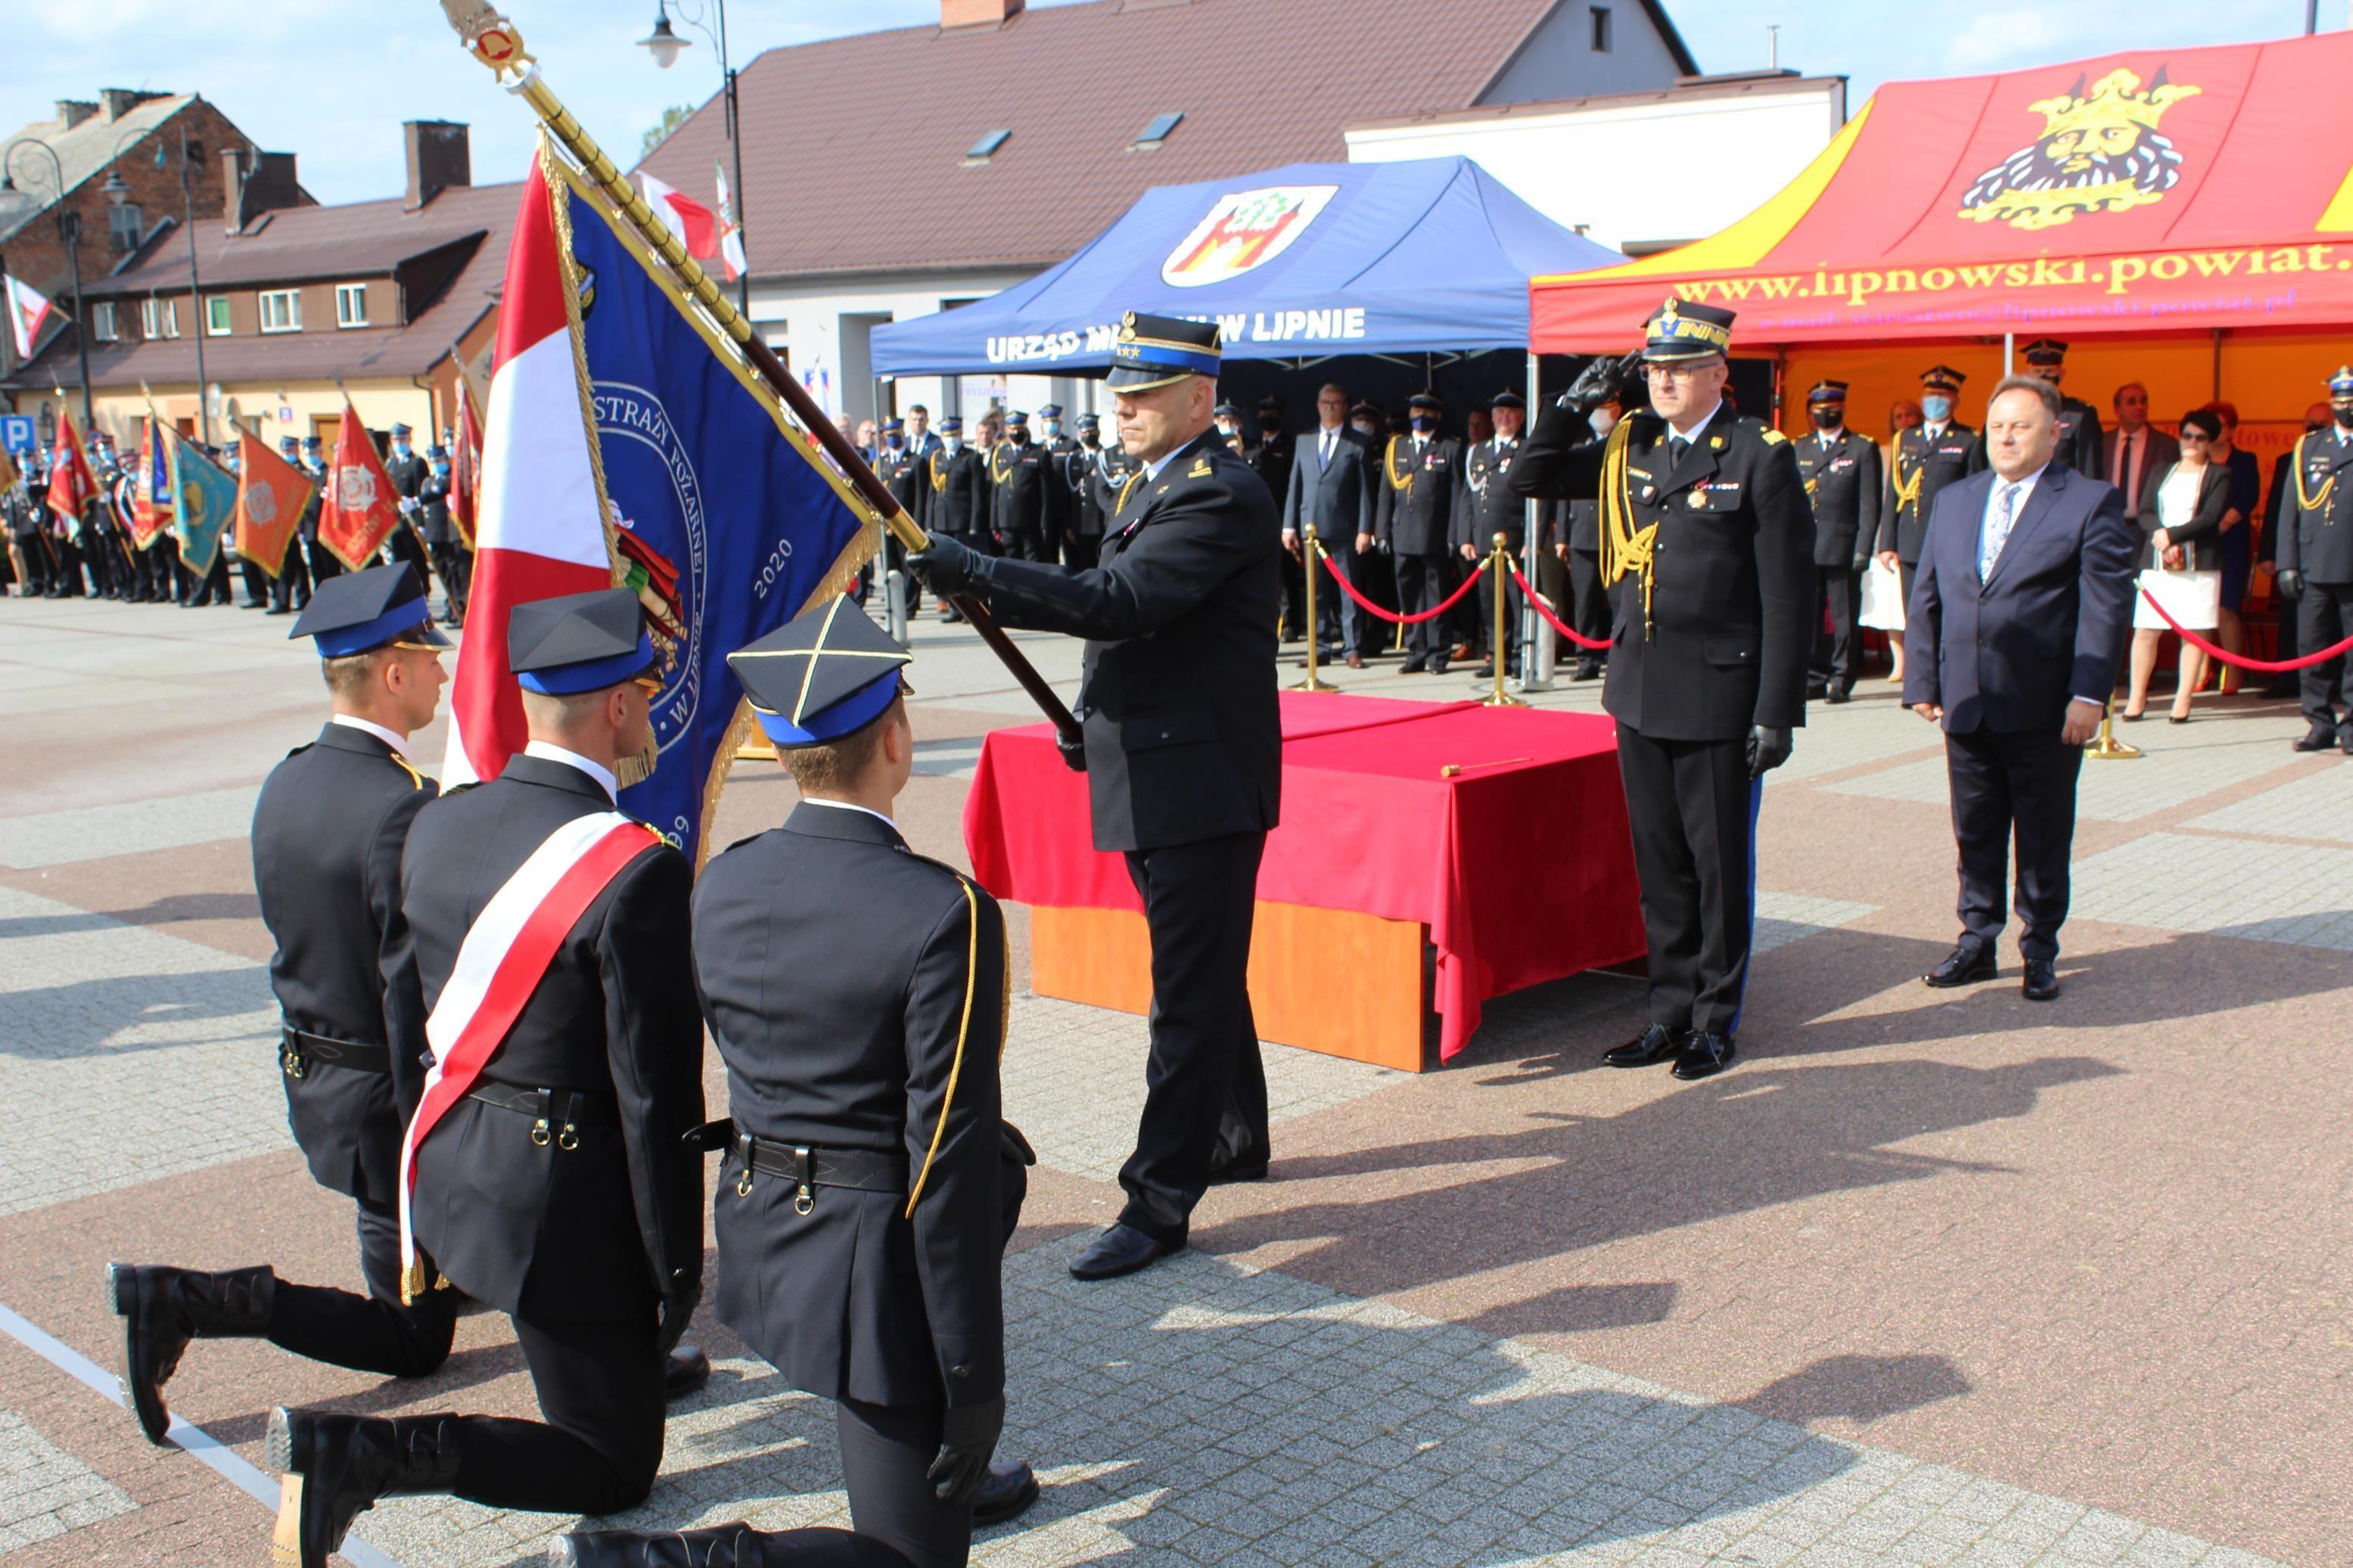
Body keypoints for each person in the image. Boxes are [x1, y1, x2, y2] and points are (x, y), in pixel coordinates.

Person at [559, 606, 1038, 1568]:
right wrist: (972, 1377)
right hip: (877, 1276)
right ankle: (668, 1561)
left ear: (781, 752)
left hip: (767, 1226)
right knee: (905, 1562)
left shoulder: (724, 879)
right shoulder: (946, 913)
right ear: (895, 740)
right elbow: (942, 1166)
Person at [266, 588, 708, 1568]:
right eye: (645, 688)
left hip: (459, 1184)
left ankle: (604, 1371)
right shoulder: (635, 870)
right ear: (624, 706)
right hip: (568, 1218)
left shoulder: (429, 822)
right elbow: (655, 1101)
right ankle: (366, 1454)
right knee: (615, 1465)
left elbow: (402, 1021)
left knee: (615, 1389)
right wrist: (672, 1272)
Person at [909, 311, 1278, 1282]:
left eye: (1145, 390)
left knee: (1184, 998)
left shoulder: (1217, 493)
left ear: (1200, 398)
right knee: (1201, 976)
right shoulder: (1155, 481)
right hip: (1160, 762)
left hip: (1197, 782)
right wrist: (1093, 716)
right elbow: (1137, 629)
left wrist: (981, 572)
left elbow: (1123, 603)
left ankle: (1158, 1202)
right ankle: (1233, 1136)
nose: (1122, 404)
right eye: (1119, 389)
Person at [108, 567, 455, 1450]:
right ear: (392, 673)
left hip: (320, 1081)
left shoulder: (287, 782)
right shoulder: (400, 808)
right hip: (388, 1112)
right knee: (415, 1343)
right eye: (429, 659)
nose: (444, 676)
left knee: (441, 1275)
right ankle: (186, 1299)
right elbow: (413, 991)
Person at [1512, 297, 1813, 1082]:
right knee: (1660, 869)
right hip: (1639, 692)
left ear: (1718, 372)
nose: (1664, 381)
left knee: (1716, 869)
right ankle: (1666, 1013)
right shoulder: (1629, 445)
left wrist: (1776, 712)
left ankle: (1714, 1022)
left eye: (1681, 368)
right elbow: (1531, 476)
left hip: (1718, 698)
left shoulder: (1756, 454)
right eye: (1653, 368)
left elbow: (1785, 592)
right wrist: (1569, 406)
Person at [1905, 374, 2136, 1003]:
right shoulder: (1956, 499)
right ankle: (1977, 939)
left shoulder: (2090, 501)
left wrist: (2090, 695)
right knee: (1975, 829)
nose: (2005, 437)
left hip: (2045, 705)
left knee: (2041, 832)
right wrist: (1922, 678)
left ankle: (2039, 946)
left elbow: (2105, 607)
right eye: (1997, 424)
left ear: (2055, 432)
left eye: (2021, 425)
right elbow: (1927, 591)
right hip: (1967, 701)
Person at [2121, 408, 2231, 724]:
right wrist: (2159, 533)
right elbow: (2144, 511)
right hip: (2157, 562)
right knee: (2146, 630)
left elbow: (2211, 517)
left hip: (2199, 563)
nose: (2193, 442)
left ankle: (2183, 698)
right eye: (2188, 435)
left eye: (2201, 438)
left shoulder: (2219, 474)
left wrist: (2172, 535)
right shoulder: (2160, 471)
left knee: (2193, 633)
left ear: (2210, 442)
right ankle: (2137, 696)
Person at [2276, 366, 2353, 753]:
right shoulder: (2310, 447)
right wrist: (2286, 562)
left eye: (2350, 401)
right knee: (2312, 649)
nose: (2345, 408)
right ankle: (2319, 723)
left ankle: (2352, 727)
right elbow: (2290, 507)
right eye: (2339, 401)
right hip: (2314, 565)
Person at [1792, 380, 1882, 703]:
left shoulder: (1861, 447)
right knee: (1809, 616)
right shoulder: (1800, 448)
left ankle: (1842, 676)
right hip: (1807, 547)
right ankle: (1814, 676)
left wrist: (1864, 547)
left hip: (1843, 546)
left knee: (1844, 617)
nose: (1824, 416)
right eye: (1819, 411)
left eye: (1830, 411)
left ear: (1842, 409)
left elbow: (1870, 504)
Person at [1282, 382, 1375, 668]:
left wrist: (1365, 529)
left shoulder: (1357, 443)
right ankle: (1319, 647)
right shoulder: (1304, 440)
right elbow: (1294, 485)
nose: (1330, 408)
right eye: (1326, 402)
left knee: (1349, 591)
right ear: (1318, 405)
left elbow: (1365, 491)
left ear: (1345, 408)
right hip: (1311, 527)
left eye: (1336, 403)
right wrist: (1288, 526)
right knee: (1316, 592)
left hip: (1345, 528)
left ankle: (1352, 648)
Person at [1878, 367, 1981, 616]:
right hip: (1910, 538)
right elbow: (1894, 493)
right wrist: (1887, 544)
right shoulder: (1905, 438)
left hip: (1949, 539)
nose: (1935, 401)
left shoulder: (1969, 440)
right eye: (1930, 395)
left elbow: (1975, 496)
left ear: (1956, 401)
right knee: (1914, 611)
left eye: (1942, 396)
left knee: (1946, 609)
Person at [1376, 392, 1464, 675]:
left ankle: (1438, 654)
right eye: (1416, 409)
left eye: (1427, 411)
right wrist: (1382, 532)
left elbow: (1457, 496)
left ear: (1438, 416)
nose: (1420, 415)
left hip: (1435, 536)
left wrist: (1454, 535)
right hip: (1403, 533)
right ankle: (1415, 651)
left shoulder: (1449, 448)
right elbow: (1386, 493)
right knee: (1409, 597)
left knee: (1437, 597)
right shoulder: (1397, 447)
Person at [2261, 401, 2336, 699]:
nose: (2314, 429)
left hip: (2334, 554)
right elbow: (2278, 512)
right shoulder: (2289, 460)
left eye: (2321, 423)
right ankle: (2287, 681)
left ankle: (2335, 689)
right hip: (2298, 553)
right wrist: (2270, 552)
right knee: (2293, 622)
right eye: (2309, 424)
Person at [1553, 384, 1627, 682]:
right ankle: (1587, 659)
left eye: (1604, 409)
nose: (1599, 415)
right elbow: (1566, 493)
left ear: (1616, 411)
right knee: (1585, 602)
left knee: (1620, 601)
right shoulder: (1580, 445)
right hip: (1582, 534)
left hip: (1618, 537)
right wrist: (1562, 536)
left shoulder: (1627, 443)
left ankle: (1621, 658)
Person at [1456, 390, 1530, 681]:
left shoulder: (1526, 449)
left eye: (1511, 413)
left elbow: (1537, 500)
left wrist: (1531, 541)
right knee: (1489, 603)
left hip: (1515, 541)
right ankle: (1495, 654)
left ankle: (1518, 657)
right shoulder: (1478, 450)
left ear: (1521, 418)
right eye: (1499, 413)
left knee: (1516, 603)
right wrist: (1465, 537)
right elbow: (1467, 497)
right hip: (1484, 539)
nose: (1504, 418)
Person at [2203, 402, 2261, 696]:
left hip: (2232, 540)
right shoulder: (2196, 461)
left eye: (2222, 424)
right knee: (2199, 608)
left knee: (2227, 607)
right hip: (2200, 542)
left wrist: (2221, 525)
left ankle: (2233, 669)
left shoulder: (2244, 461)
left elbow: (2247, 497)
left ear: (2232, 430)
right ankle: (2200, 669)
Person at [2010, 339, 2104, 476]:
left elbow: (2089, 470)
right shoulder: (2015, 412)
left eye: (2050, 371)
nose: (2043, 376)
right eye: (2037, 371)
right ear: (2026, 374)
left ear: (2061, 374)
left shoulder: (2080, 415)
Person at [987, 411, 1054, 564]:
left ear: (1025, 428)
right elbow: (995, 491)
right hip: (1006, 519)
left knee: (1033, 560)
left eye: (1019, 428)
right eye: (1013, 428)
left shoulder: (1038, 452)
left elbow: (1046, 492)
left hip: (1030, 519)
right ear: (1007, 429)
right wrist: (994, 523)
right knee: (1011, 561)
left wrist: (1045, 522)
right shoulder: (1000, 453)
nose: (1016, 432)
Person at [2103, 382, 2177, 523]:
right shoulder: (2104, 443)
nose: (2139, 407)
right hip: (2109, 525)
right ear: (2117, 410)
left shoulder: (2166, 445)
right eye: (2132, 402)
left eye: (2143, 401)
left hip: (2147, 529)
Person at [1063, 411, 1108, 570]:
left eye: (1092, 431)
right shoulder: (1074, 458)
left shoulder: (1107, 456)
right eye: (1085, 432)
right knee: (1080, 567)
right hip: (1079, 523)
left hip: (1101, 522)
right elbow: (1068, 494)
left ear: (1098, 432)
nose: (1089, 435)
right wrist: (1068, 524)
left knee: (1101, 566)